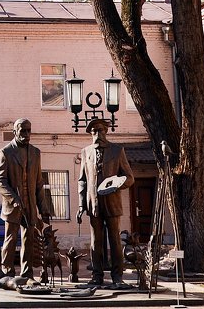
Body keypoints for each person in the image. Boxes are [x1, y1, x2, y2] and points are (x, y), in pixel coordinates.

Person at [77, 118, 134, 287]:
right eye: (93, 132)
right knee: (96, 241)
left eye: (100, 130)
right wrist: (81, 205)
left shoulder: (117, 151)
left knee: (115, 240)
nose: (97, 134)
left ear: (106, 131)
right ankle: (97, 276)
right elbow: (82, 180)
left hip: (112, 203)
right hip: (93, 204)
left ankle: (117, 277)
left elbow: (129, 178)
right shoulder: (85, 152)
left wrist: (116, 185)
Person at [0, 118, 48, 282]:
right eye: (22, 131)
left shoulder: (35, 152)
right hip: (13, 205)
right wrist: (14, 198)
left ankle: (27, 273)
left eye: (28, 130)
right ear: (15, 132)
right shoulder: (6, 152)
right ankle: (7, 272)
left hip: (31, 205)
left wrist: (43, 208)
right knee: (10, 239)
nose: (26, 134)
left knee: (29, 239)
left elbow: (39, 183)